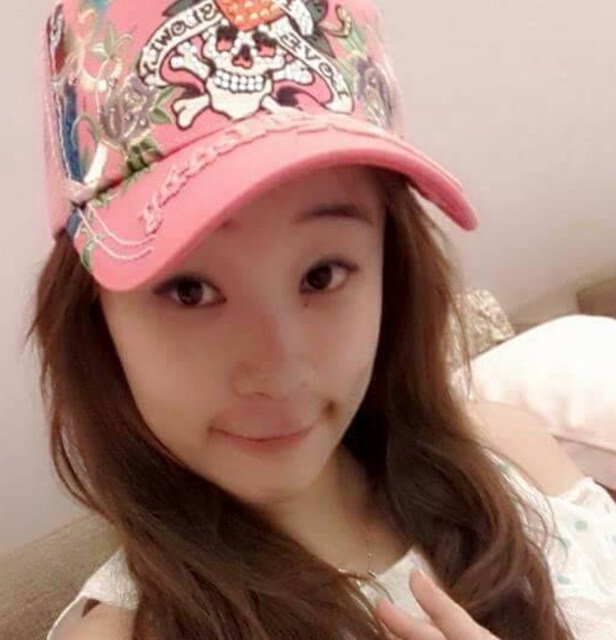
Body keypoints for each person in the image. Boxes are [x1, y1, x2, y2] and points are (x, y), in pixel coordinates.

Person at [31, 0, 616, 638]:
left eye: (322, 275)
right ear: (97, 319)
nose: (279, 370)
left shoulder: (509, 455)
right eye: (189, 290)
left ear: (390, 272)